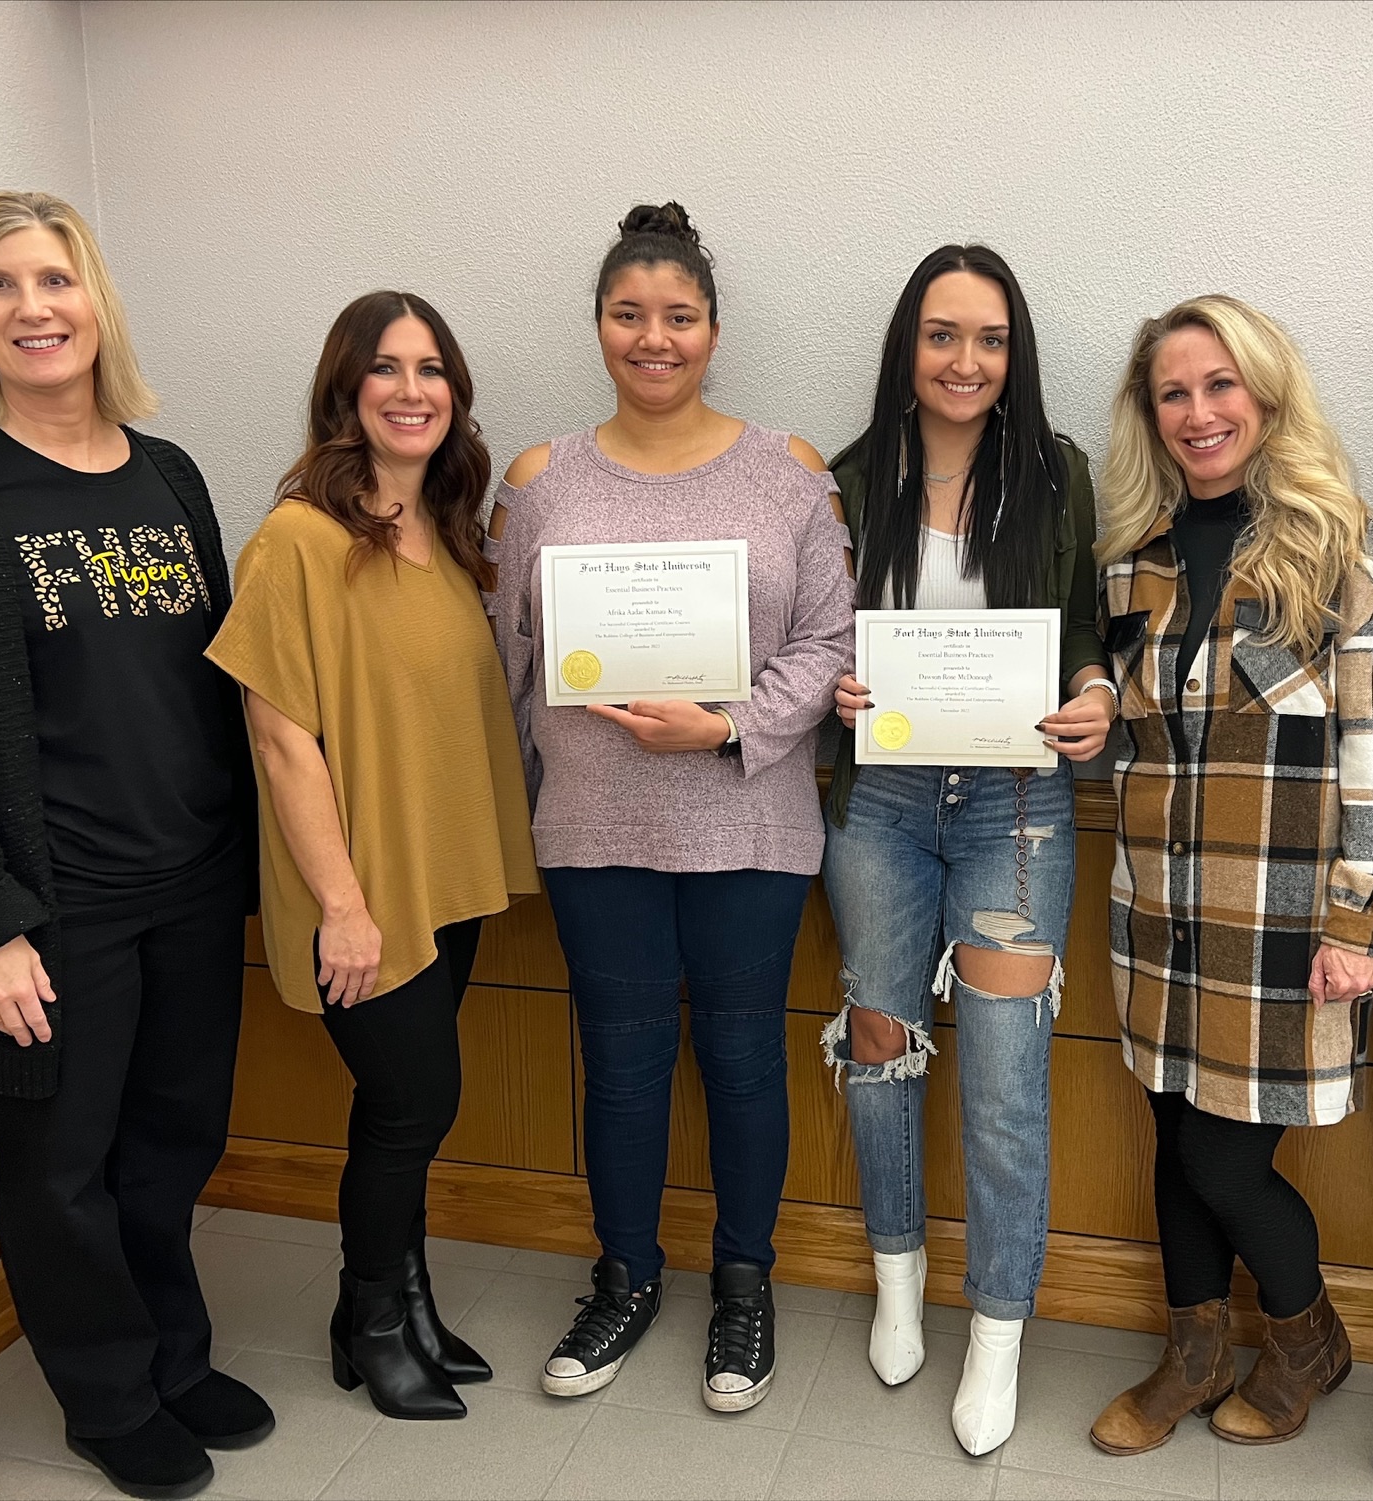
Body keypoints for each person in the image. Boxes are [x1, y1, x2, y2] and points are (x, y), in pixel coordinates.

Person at [0, 190, 266, 1500]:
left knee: (175, 1139)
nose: (32, 308)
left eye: (54, 280)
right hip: (50, 906)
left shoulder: (172, 475)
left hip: (190, 882)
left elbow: (216, 681)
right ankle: (105, 1390)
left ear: (97, 302)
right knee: (60, 1171)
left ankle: (175, 1352)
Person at [487, 202, 852, 1414]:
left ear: (712, 328)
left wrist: (730, 722)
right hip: (595, 824)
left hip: (747, 819)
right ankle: (626, 1277)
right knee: (623, 1066)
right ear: (598, 326)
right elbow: (507, 652)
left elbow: (827, 640)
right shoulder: (539, 477)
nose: (654, 338)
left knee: (746, 1059)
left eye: (677, 316)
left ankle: (742, 1283)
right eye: (628, 315)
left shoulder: (786, 469)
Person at [1085, 296, 1373, 1458]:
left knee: (1221, 1154)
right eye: (1173, 393)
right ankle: (1191, 1351)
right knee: (1168, 1131)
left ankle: (1304, 1338)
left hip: (1280, 924)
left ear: (1266, 395)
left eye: (1219, 386)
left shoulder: (1346, 560)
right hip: (1157, 915)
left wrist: (1357, 920)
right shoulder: (1132, 564)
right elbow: (1133, 728)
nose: (1197, 413)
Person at [206, 291, 538, 1422]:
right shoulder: (298, 537)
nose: (412, 389)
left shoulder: (449, 532)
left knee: (409, 1109)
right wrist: (341, 906)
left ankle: (406, 1300)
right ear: (345, 392)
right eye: (386, 368)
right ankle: (371, 1317)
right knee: (413, 1097)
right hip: (356, 888)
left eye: (431, 367)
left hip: (444, 872)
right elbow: (278, 735)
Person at [818, 244, 1109, 1455]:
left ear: (1013, 354)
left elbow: (1085, 621)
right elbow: (806, 634)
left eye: (988, 339)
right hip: (877, 801)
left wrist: (1093, 689)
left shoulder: (1056, 472)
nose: (965, 361)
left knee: (1000, 1083)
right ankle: (897, 1275)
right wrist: (829, 685)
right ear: (907, 346)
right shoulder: (841, 480)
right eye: (942, 335)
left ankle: (996, 1331)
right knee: (880, 1042)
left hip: (1018, 807)